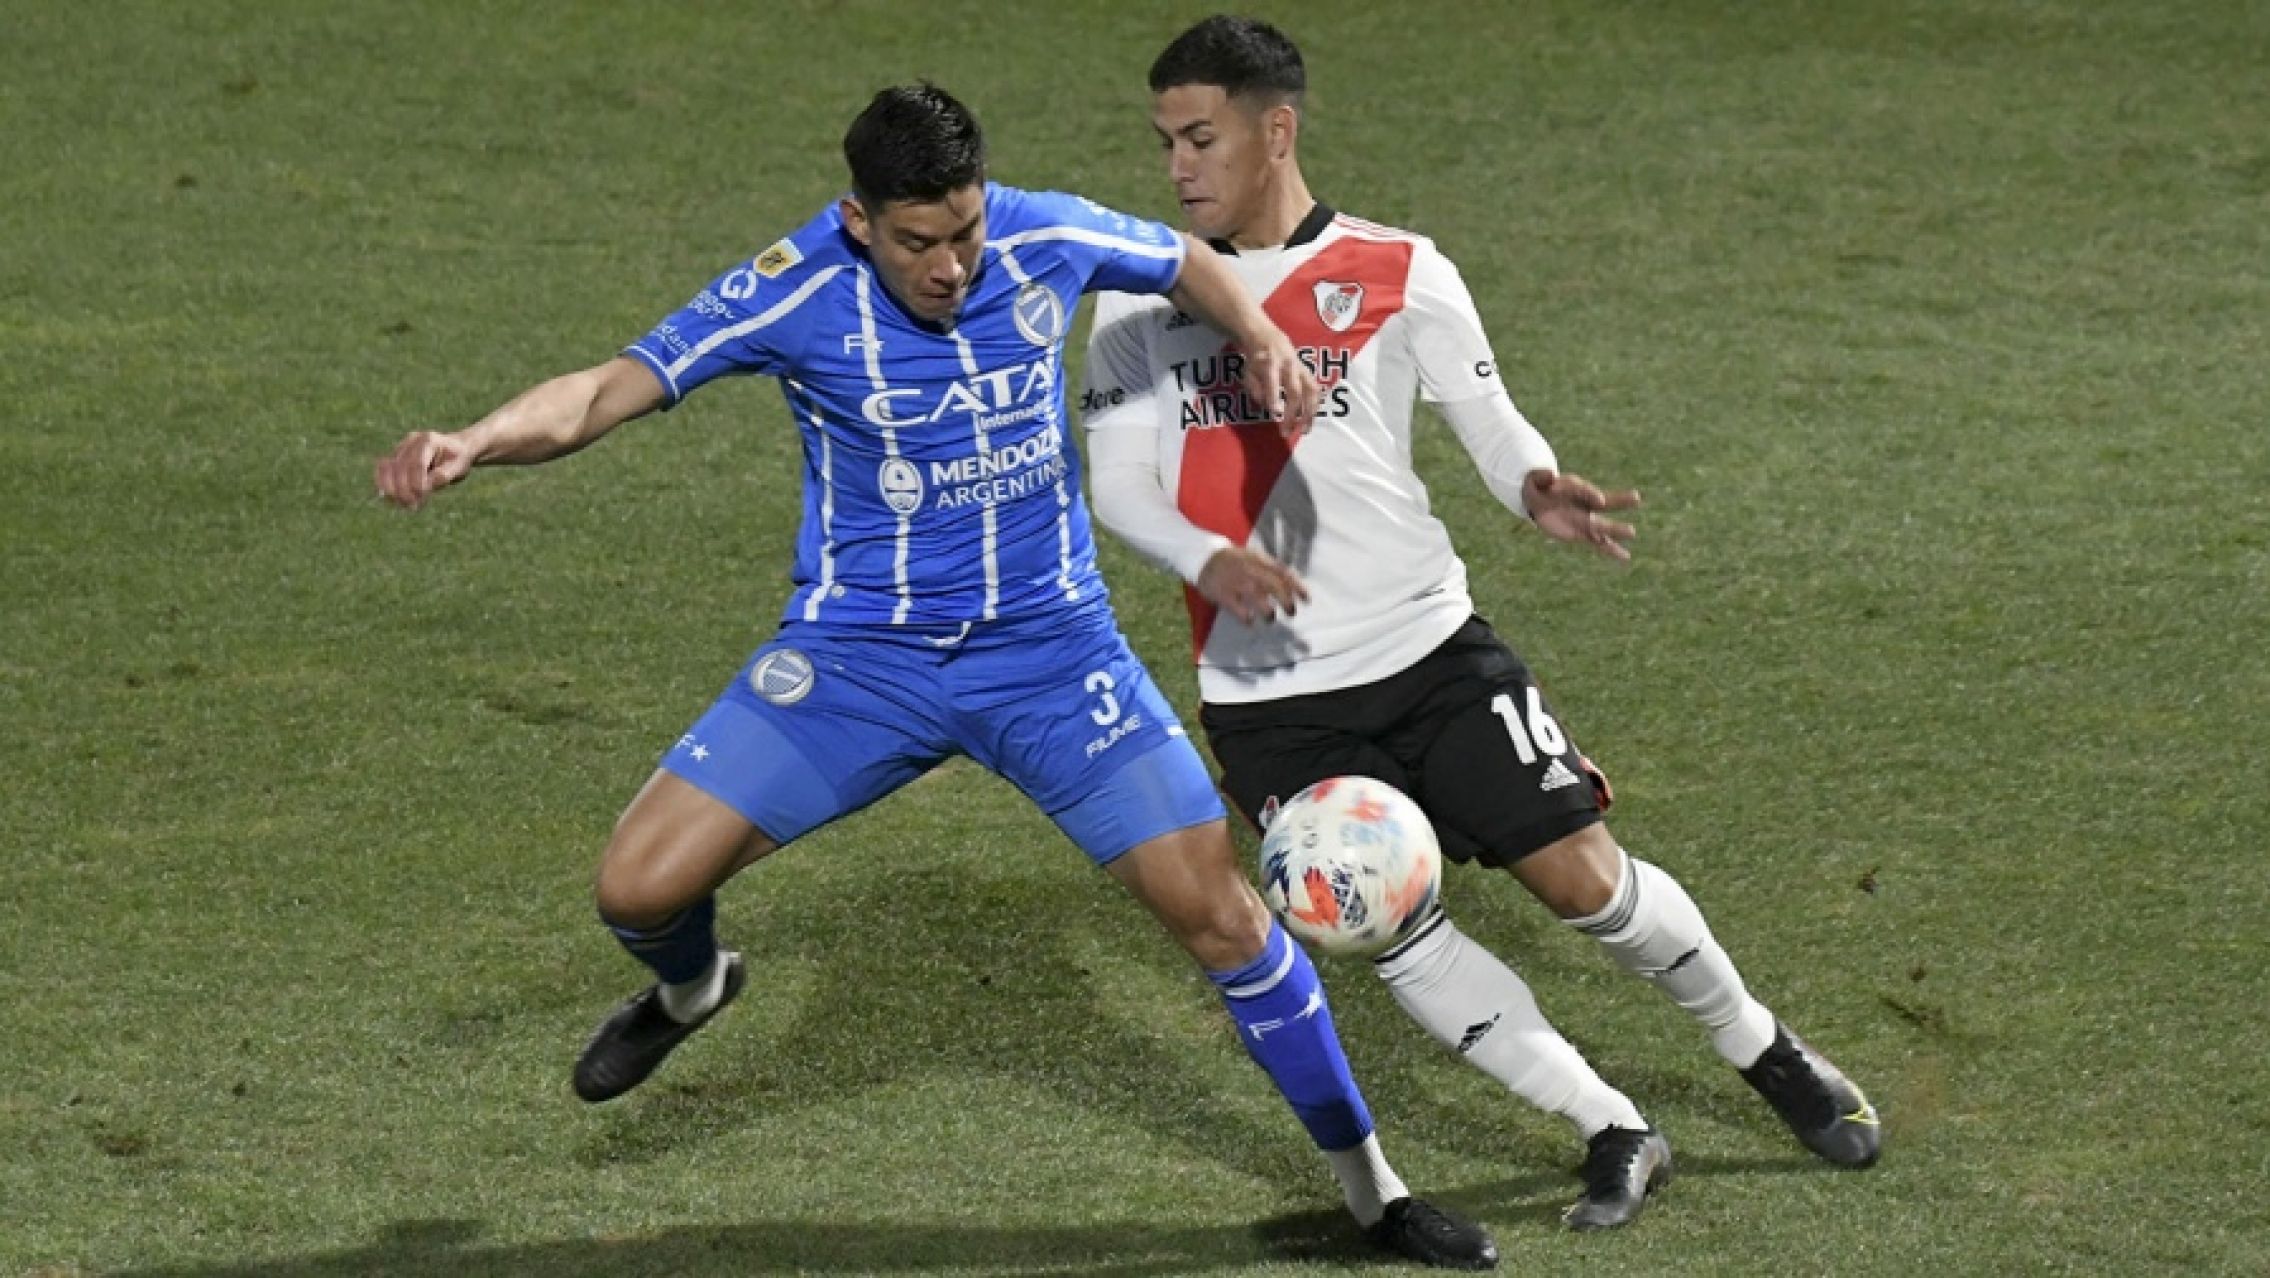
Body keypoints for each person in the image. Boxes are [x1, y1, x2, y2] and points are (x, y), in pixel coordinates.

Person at [372, 84, 1500, 1270]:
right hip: (862, 661)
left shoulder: (1040, 233)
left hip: (1053, 661)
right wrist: (473, 441)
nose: (952, 265)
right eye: (919, 242)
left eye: (962, 231)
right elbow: (609, 388)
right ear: (860, 221)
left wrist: (1262, 337)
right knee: (635, 891)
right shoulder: (794, 286)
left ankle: (1373, 1198)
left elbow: (1180, 262)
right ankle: (694, 990)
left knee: (1226, 922)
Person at [1081, 17, 1883, 1231]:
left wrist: (1534, 487)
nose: (1177, 167)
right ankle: (1609, 1124)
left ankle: (1760, 1047)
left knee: (1580, 881)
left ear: (1275, 129)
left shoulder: (1401, 268)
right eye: (1165, 143)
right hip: (1268, 703)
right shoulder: (1137, 298)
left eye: (1200, 138)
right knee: (1387, 927)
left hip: (1426, 652)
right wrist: (1210, 559)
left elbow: (1494, 427)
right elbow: (1116, 486)